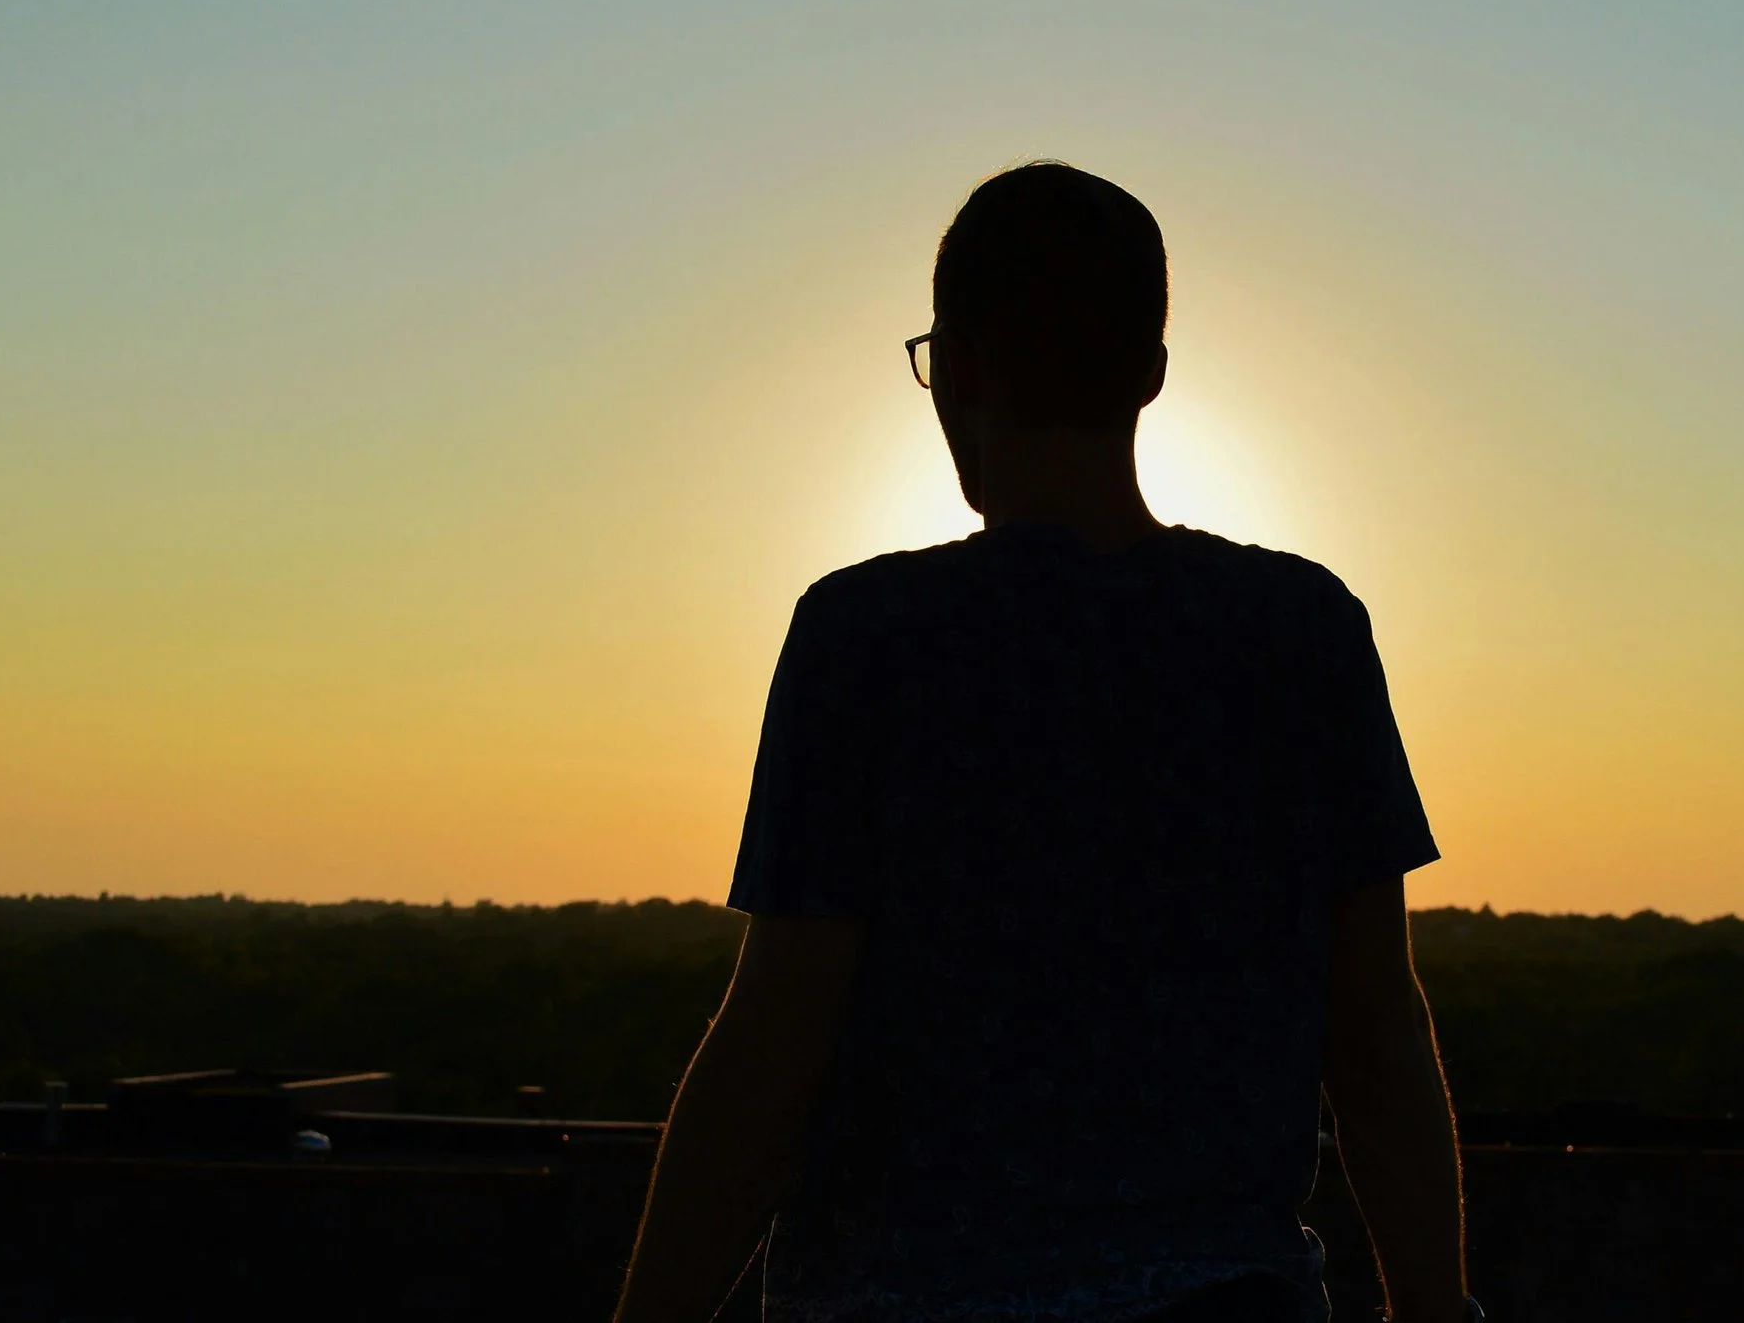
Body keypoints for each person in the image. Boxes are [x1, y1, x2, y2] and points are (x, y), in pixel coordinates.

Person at [614, 163, 1474, 1323]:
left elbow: (774, 1045)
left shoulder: (868, 640)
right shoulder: (1300, 633)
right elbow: (1377, 1034)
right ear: (1151, 375)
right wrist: (1436, 1309)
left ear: (958, 368)